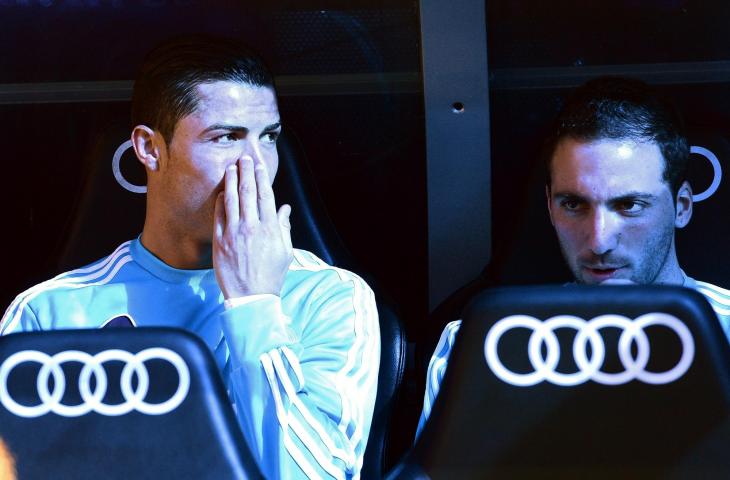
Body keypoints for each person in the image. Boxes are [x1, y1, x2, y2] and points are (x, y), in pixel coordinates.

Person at [0, 35, 380, 479]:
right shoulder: (49, 312)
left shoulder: (331, 298)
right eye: (225, 138)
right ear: (149, 148)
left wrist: (254, 304)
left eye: (269, 137)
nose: (256, 166)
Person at [417, 76, 730, 435]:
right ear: (550, 208)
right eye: (574, 204)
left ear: (682, 206)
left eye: (629, 205)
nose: (599, 242)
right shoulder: (483, 344)